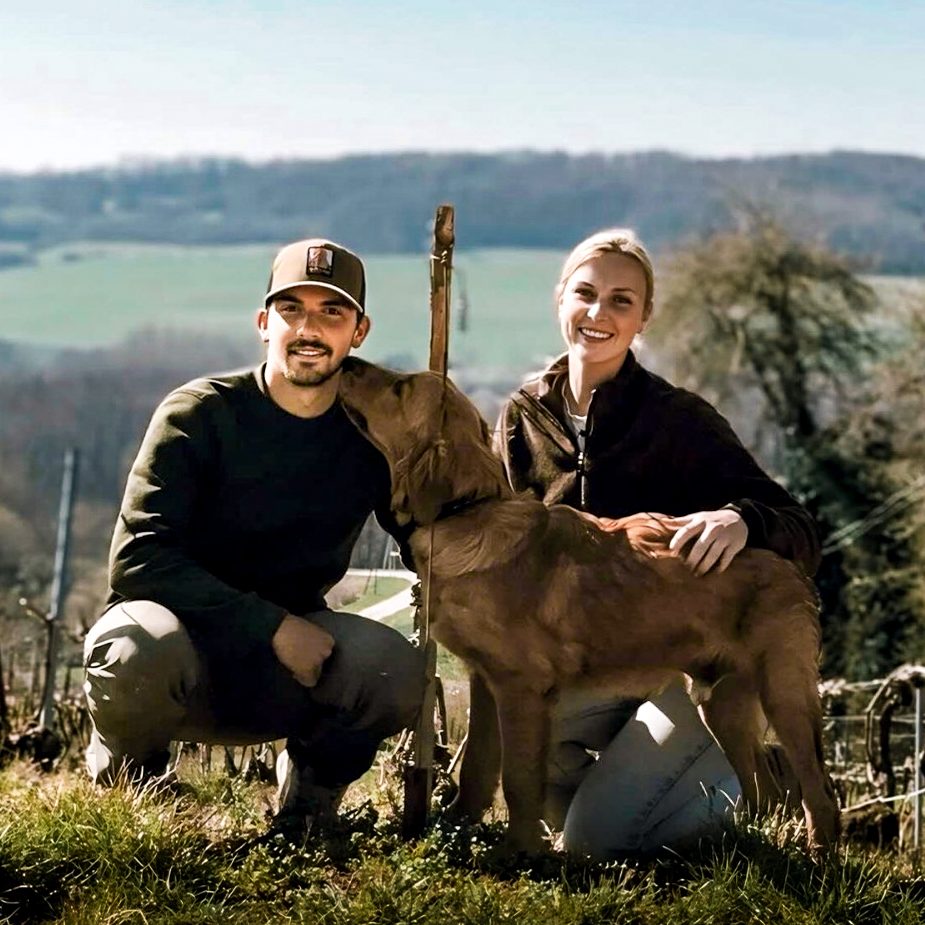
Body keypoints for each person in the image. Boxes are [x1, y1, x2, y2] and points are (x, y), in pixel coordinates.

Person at [494, 228, 820, 858]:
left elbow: (798, 526)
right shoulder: (522, 417)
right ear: (560, 299)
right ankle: (652, 789)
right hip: (578, 669)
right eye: (585, 293)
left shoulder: (679, 420)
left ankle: (738, 780)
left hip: (677, 673)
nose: (598, 313)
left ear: (645, 316)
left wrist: (743, 519)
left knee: (589, 843)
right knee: (518, 754)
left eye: (622, 300)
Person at [83, 238, 424, 839]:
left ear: (359, 332)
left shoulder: (370, 439)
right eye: (292, 310)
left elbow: (426, 534)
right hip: (178, 651)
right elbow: (138, 562)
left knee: (393, 669)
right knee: (132, 650)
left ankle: (307, 810)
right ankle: (128, 804)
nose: (309, 328)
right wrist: (272, 625)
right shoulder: (198, 414)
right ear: (264, 323)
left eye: (331, 313)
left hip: (285, 673)